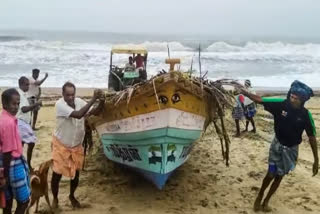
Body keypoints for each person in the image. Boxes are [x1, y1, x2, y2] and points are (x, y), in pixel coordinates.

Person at [241, 80, 319, 212]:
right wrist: (246, 93)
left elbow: (312, 138)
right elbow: (260, 100)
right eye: (291, 96)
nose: (292, 99)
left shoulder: (306, 115)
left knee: (279, 176)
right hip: (276, 146)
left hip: (291, 151)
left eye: (296, 98)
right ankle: (260, 195)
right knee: (271, 173)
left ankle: (266, 201)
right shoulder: (282, 104)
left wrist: (316, 160)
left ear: (302, 101)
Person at [51, 82, 103, 209]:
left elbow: (94, 112)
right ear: (63, 94)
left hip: (76, 145)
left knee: (76, 174)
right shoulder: (60, 105)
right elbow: (79, 115)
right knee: (57, 173)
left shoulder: (79, 102)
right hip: (61, 144)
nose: (70, 97)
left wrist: (102, 101)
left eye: (72, 94)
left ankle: (72, 196)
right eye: (67, 95)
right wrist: (93, 98)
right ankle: (55, 199)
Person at [0, 88, 31, 214]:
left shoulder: (3, 118)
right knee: (23, 201)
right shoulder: (9, 123)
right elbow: (8, 152)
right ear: (5, 104)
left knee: (7, 202)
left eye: (18, 103)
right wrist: (5, 176)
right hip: (12, 164)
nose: (16, 107)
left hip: (3, 163)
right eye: (14, 104)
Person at [17, 77, 42, 170]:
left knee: (21, 144)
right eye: (26, 84)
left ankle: (23, 163)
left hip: (23, 122)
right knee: (31, 142)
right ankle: (28, 164)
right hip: (21, 122)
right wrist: (36, 104)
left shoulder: (23, 94)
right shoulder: (20, 94)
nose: (28, 86)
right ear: (21, 85)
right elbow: (24, 109)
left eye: (28, 84)